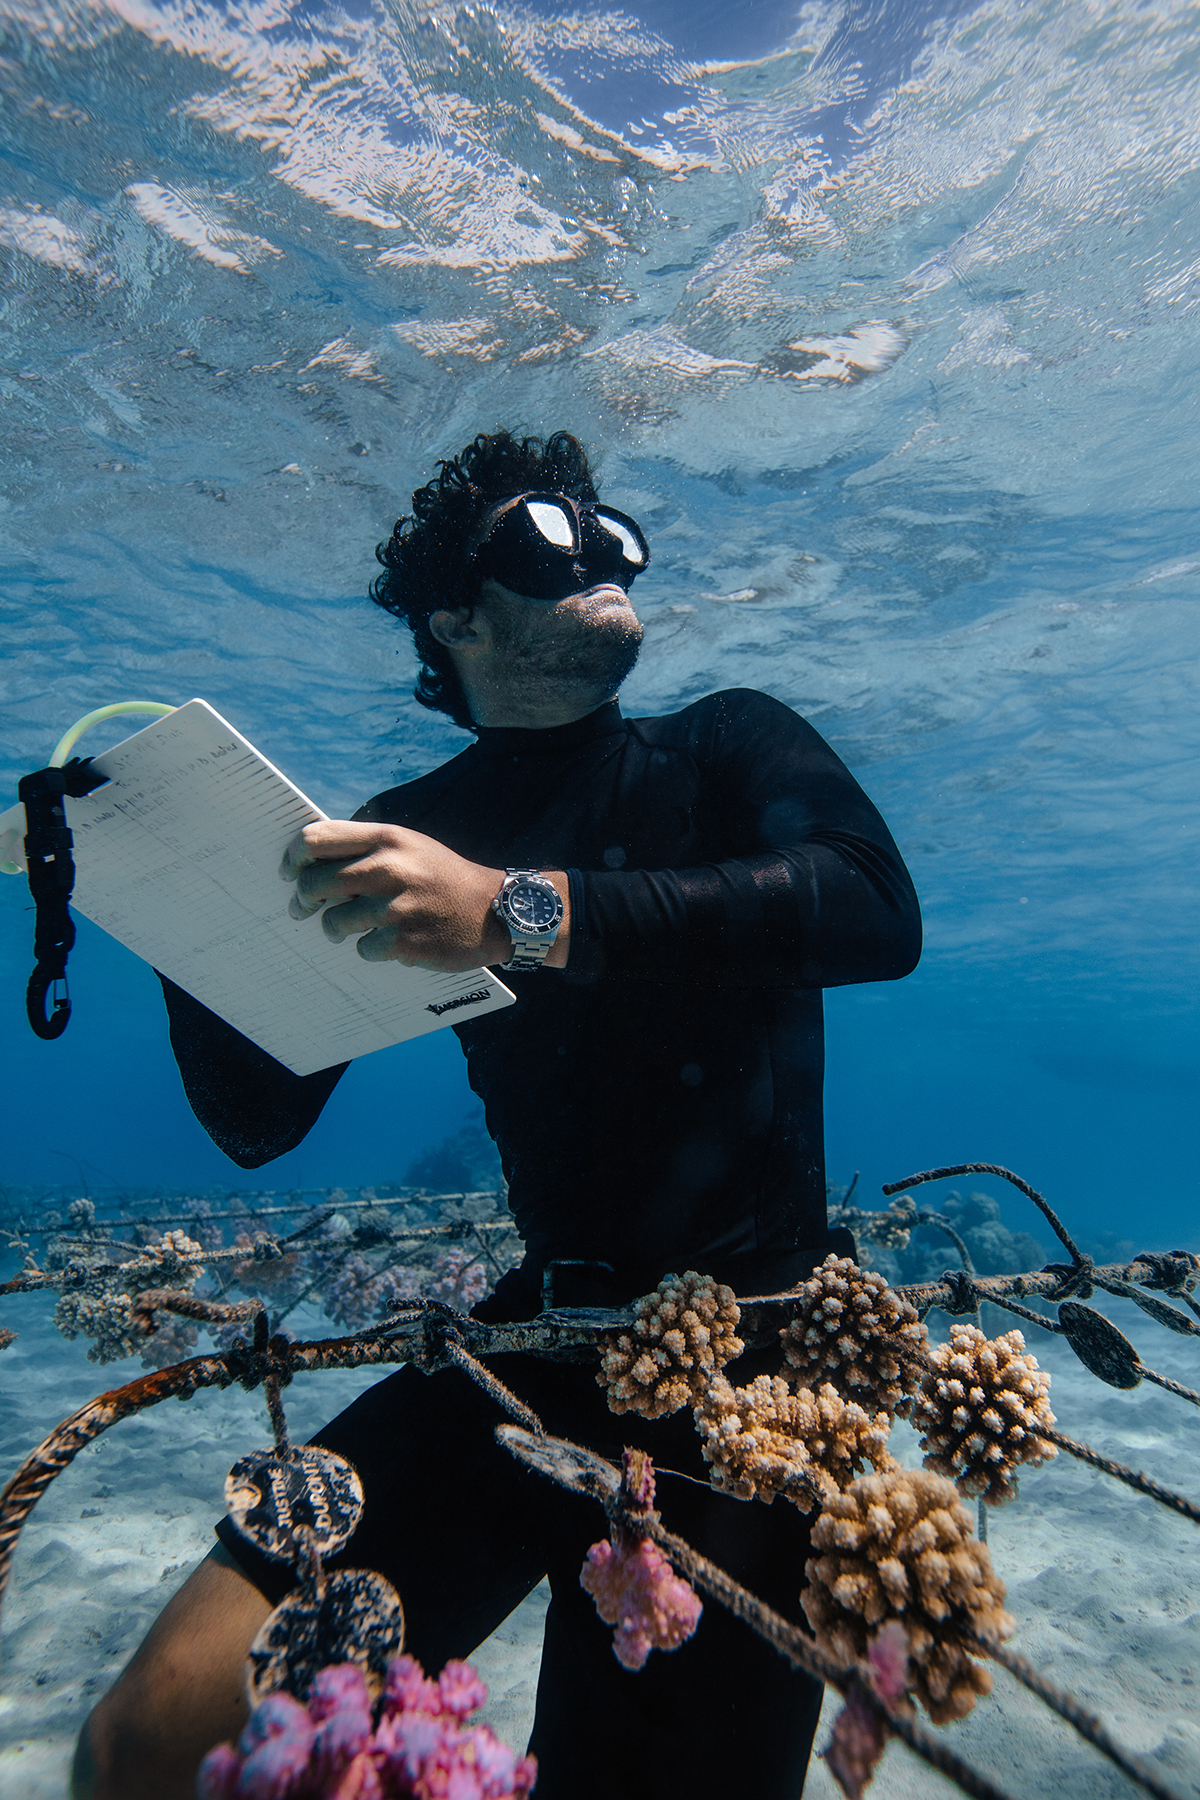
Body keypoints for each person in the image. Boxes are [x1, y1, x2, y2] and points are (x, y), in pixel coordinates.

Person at [73, 429, 921, 1800]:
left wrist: (516, 911)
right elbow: (257, 1123)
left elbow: (874, 909)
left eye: (609, 531)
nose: (599, 556)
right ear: (454, 618)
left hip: (753, 1366)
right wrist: (173, 904)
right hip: (528, 1342)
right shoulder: (403, 824)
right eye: (546, 537)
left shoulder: (720, 746)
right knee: (149, 1743)